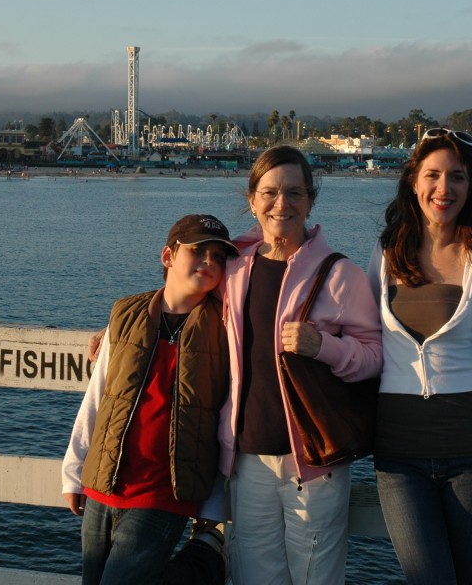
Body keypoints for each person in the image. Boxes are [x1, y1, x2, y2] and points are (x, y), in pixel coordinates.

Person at [219, 145, 382, 585]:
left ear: (311, 200)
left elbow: (374, 357)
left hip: (313, 461)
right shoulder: (233, 268)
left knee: (315, 578)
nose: (281, 204)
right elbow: (180, 293)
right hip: (248, 457)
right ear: (252, 199)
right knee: (254, 577)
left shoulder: (340, 273)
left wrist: (323, 347)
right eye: (269, 192)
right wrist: (121, 329)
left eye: (294, 192)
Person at [367, 128, 472, 585]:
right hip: (398, 451)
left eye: (457, 177)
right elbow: (362, 333)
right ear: (414, 182)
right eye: (433, 175)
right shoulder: (385, 252)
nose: (444, 188)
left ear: (471, 186)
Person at [62, 214, 239, 585]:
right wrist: (74, 470)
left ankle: (205, 561)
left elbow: (227, 416)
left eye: (219, 256)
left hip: (164, 490)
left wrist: (215, 503)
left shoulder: (225, 327)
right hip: (104, 480)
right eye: (198, 251)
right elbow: (98, 396)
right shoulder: (125, 314)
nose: (210, 261)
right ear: (168, 256)